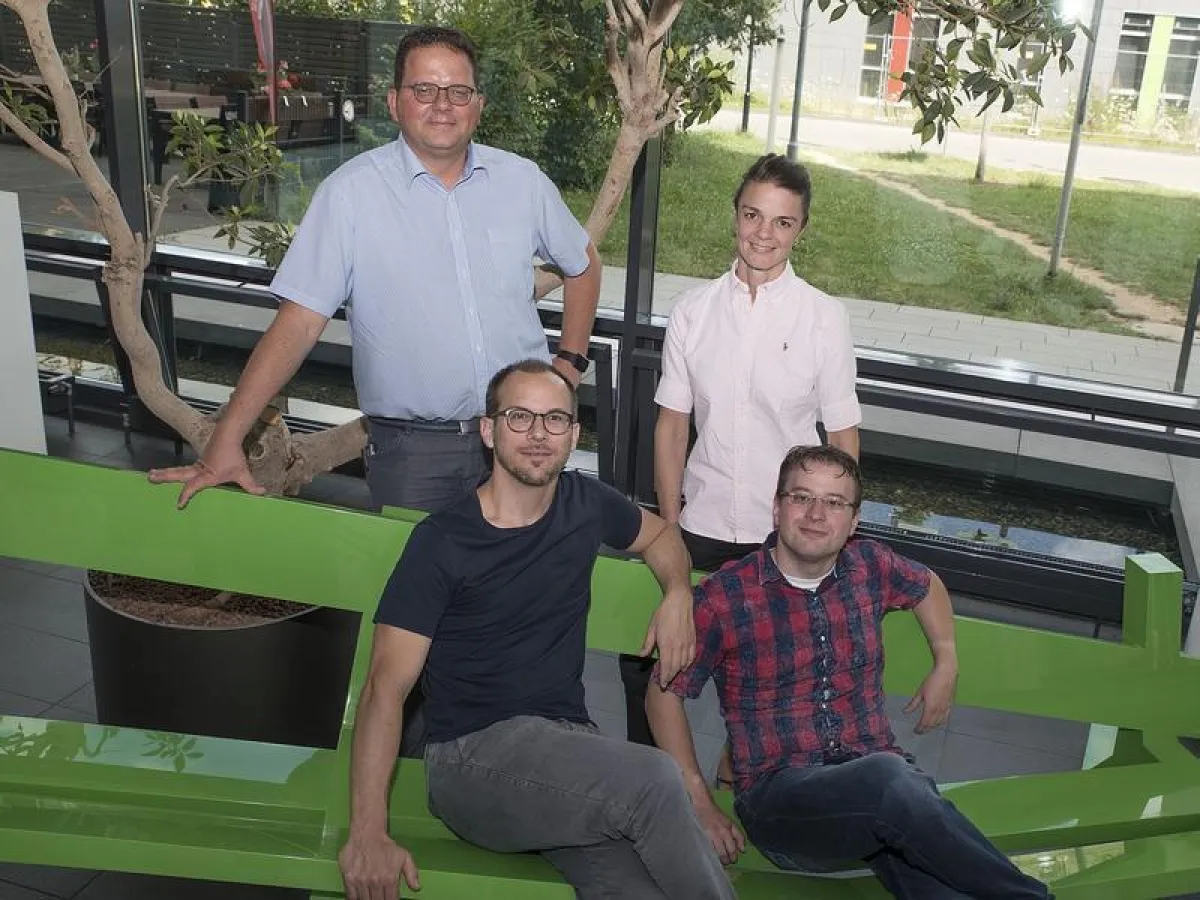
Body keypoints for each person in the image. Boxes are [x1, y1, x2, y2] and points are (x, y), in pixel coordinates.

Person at [150, 26, 601, 514]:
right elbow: (298, 324)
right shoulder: (350, 196)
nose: (442, 104)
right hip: (415, 454)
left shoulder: (522, 182)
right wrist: (228, 436)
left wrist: (568, 367)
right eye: (423, 89)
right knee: (423, 585)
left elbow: (583, 263)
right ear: (394, 102)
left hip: (522, 436)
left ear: (478, 104)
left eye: (458, 91)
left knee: (525, 580)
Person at [337, 359, 737, 900]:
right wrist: (368, 833)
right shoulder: (444, 541)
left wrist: (678, 592)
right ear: (488, 429)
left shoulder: (585, 502)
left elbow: (662, 535)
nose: (537, 434)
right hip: (471, 760)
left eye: (553, 420)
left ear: (573, 435)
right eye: (519, 417)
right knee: (653, 779)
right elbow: (386, 690)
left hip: (567, 755)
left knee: (633, 884)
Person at [645, 445, 1054, 900]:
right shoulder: (726, 597)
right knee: (892, 780)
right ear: (777, 508)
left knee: (940, 882)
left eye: (834, 502)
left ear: (853, 521)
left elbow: (926, 584)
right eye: (802, 497)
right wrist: (699, 800)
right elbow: (663, 692)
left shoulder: (870, 565)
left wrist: (946, 657)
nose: (816, 514)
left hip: (877, 807)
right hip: (783, 804)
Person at [624, 153, 862, 764]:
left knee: (767, 689)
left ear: (801, 230)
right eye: (754, 215)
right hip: (698, 524)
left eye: (782, 223)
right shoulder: (693, 312)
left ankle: (741, 789)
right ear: (734, 215)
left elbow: (842, 440)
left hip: (779, 538)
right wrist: (669, 526)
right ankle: (656, 788)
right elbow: (673, 427)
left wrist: (831, 536)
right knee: (645, 661)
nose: (764, 233)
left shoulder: (824, 319)